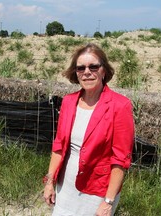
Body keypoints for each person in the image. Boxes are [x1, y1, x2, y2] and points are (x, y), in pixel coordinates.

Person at [43, 43, 134, 216]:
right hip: (66, 184)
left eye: (93, 66)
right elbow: (59, 147)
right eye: (80, 68)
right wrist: (49, 182)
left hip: (97, 190)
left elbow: (120, 160)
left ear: (103, 71)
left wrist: (108, 202)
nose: (87, 72)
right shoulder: (69, 102)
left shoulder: (120, 106)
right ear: (75, 73)